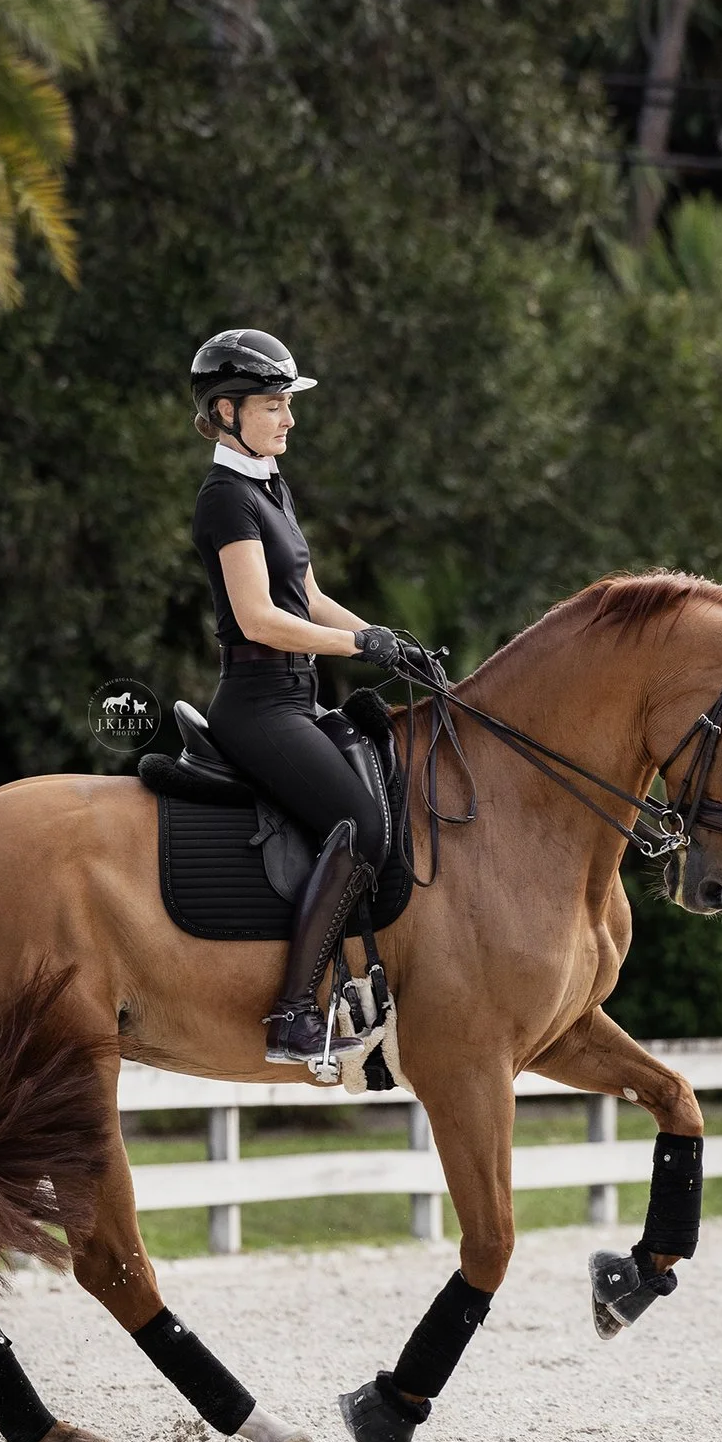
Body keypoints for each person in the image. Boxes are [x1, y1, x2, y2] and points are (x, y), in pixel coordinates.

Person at [187, 328, 432, 1066]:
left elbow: (311, 596)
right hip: (258, 705)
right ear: (226, 411)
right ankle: (292, 1013)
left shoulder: (270, 484)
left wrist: (388, 640)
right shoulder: (225, 499)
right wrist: (358, 649)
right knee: (359, 822)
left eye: (287, 404)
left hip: (298, 697)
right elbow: (260, 617)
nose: (288, 419)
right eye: (273, 405)